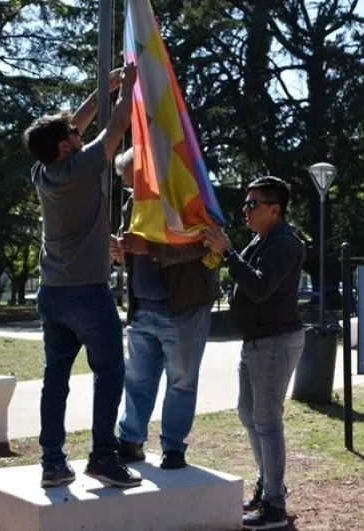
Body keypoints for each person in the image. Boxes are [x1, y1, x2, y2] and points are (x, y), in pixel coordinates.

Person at [23, 63, 141, 489]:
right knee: (110, 373)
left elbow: (74, 125)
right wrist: (127, 87)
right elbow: (119, 125)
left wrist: (99, 93)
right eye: (72, 134)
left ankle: (53, 463)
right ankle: (103, 458)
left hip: (52, 293)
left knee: (55, 379)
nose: (78, 132)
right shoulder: (84, 167)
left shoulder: (43, 171)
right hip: (88, 295)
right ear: (66, 147)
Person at [202, 176, 305, 530]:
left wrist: (229, 253)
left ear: (275, 210)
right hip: (257, 340)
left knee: (267, 420)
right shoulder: (262, 239)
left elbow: (260, 287)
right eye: (246, 203)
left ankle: (274, 505)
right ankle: (269, 487)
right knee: (249, 414)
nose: (245, 209)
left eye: (253, 204)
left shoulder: (284, 243)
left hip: (275, 341)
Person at [108, 148, 218, 470]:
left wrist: (150, 248)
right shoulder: (132, 205)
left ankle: (173, 447)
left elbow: (205, 245)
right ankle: (131, 440)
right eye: (128, 186)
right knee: (138, 380)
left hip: (183, 310)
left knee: (181, 382)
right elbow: (133, 251)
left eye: (135, 184)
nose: (132, 192)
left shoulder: (184, 198)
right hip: (142, 310)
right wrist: (121, 252)